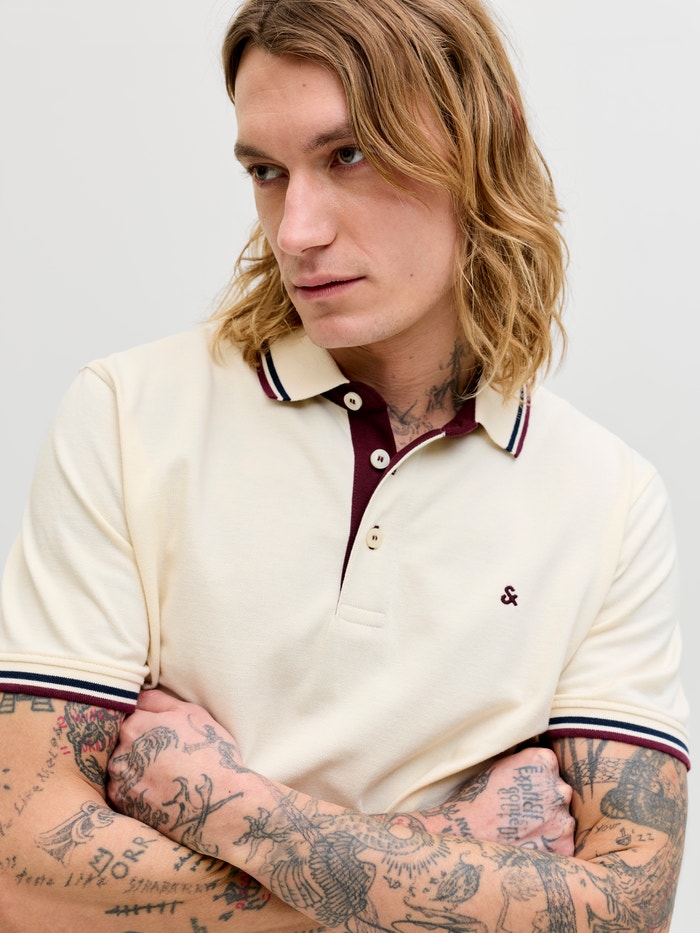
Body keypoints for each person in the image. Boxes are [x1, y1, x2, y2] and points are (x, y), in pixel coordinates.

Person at [0, 0, 689, 930]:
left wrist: (232, 805)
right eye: (266, 172)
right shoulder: (128, 413)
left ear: (480, 145)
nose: (296, 231)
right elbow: (22, 876)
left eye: (349, 156)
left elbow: (628, 911)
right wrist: (451, 855)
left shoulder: (609, 498)